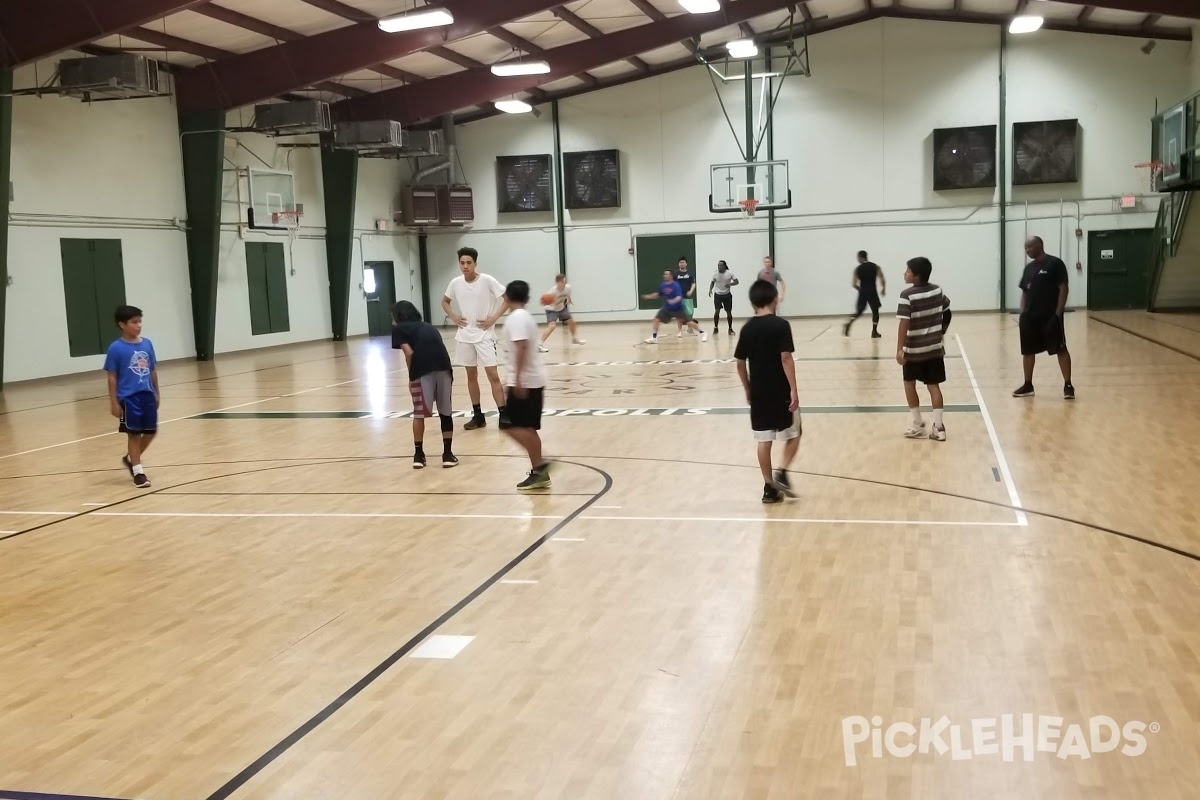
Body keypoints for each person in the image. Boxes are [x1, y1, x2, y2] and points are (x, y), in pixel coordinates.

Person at [736, 279, 801, 504]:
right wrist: (793, 389)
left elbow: (739, 363)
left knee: (764, 440)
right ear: (775, 299)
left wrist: (747, 388)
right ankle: (782, 472)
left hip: (759, 394)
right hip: (781, 391)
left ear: (753, 302)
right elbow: (786, 358)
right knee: (794, 434)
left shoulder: (747, 328)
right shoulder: (781, 325)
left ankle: (768, 488)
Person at [441, 246, 510, 430]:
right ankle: (478, 415)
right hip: (464, 336)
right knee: (471, 376)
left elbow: (507, 299)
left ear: (475, 263)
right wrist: (454, 317)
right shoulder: (455, 283)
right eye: (462, 263)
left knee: (492, 375)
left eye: (468, 263)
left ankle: (504, 414)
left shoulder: (487, 280)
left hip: (485, 335)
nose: (465, 266)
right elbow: (445, 301)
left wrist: (494, 318)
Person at [392, 300, 458, 470]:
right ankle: (448, 455)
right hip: (444, 366)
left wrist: (411, 376)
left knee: (419, 413)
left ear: (398, 315)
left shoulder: (399, 329)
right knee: (445, 411)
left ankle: (419, 455)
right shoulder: (428, 326)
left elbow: (409, 352)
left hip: (422, 369)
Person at [501, 281, 551, 491]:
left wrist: (518, 379)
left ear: (506, 297)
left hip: (525, 382)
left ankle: (540, 464)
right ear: (528, 298)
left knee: (508, 426)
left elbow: (521, 346)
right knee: (528, 428)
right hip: (533, 380)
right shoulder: (526, 317)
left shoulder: (517, 319)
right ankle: (540, 473)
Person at [895, 256, 952, 442]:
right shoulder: (937, 290)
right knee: (933, 387)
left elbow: (904, 323)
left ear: (917, 276)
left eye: (908, 271)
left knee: (909, 384)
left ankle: (918, 423)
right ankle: (939, 428)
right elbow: (948, 311)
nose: (905, 273)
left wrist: (899, 349)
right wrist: (941, 331)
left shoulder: (907, 295)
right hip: (935, 349)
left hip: (914, 351)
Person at [103, 305, 159, 488]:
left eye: (139, 321)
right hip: (128, 397)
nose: (138, 325)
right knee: (134, 434)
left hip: (147, 395)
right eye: (134, 322)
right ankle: (138, 472)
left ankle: (130, 459)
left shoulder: (147, 344)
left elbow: (152, 370)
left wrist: (157, 392)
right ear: (122, 324)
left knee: (151, 432)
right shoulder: (116, 348)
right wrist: (113, 401)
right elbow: (112, 376)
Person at [1013, 236, 1075, 400]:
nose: (1026, 251)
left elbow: (1063, 288)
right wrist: (1022, 313)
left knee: (1060, 348)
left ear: (1039, 246)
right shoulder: (1029, 268)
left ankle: (1068, 385)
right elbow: (1025, 292)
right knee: (1027, 351)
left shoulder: (1055, 264)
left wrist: (1058, 313)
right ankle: (1028, 385)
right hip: (1030, 318)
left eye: (1029, 247)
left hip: (1050, 316)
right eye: (1025, 248)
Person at [643, 269, 708, 343]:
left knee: (689, 322)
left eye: (666, 274)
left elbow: (679, 297)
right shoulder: (663, 285)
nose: (664, 275)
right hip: (667, 308)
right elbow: (658, 294)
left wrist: (672, 301)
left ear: (671, 276)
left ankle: (703, 333)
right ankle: (654, 338)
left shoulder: (675, 285)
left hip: (678, 309)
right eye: (664, 274)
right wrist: (649, 296)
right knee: (656, 320)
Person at [538, 274, 586, 353]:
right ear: (558, 282)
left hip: (561, 308)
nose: (565, 283)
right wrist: (549, 302)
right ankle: (539, 344)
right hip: (551, 310)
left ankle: (574, 339)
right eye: (563, 281)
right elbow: (544, 302)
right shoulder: (552, 292)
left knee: (572, 322)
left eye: (565, 281)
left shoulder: (568, 287)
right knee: (552, 326)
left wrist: (569, 299)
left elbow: (567, 293)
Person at [843, 250, 886, 338]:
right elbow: (881, 278)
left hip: (863, 291)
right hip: (872, 291)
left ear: (860, 257)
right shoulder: (875, 266)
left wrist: (860, 290)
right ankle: (874, 331)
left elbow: (854, 283)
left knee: (859, 311)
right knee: (875, 311)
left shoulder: (857, 269)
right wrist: (883, 288)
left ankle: (849, 323)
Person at [708, 260, 739, 334]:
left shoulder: (729, 273)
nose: (719, 267)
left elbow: (737, 281)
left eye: (721, 265)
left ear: (724, 266)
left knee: (728, 312)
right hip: (718, 295)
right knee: (717, 311)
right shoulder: (715, 274)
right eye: (718, 265)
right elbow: (712, 282)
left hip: (727, 295)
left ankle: (730, 329)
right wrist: (710, 290)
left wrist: (730, 284)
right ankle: (716, 328)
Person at [675, 257, 702, 334]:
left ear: (686, 263)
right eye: (680, 262)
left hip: (688, 298)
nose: (682, 264)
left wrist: (691, 291)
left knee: (689, 314)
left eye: (683, 262)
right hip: (678, 298)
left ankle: (690, 329)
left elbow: (693, 283)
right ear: (678, 264)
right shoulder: (676, 274)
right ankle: (679, 331)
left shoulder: (690, 273)